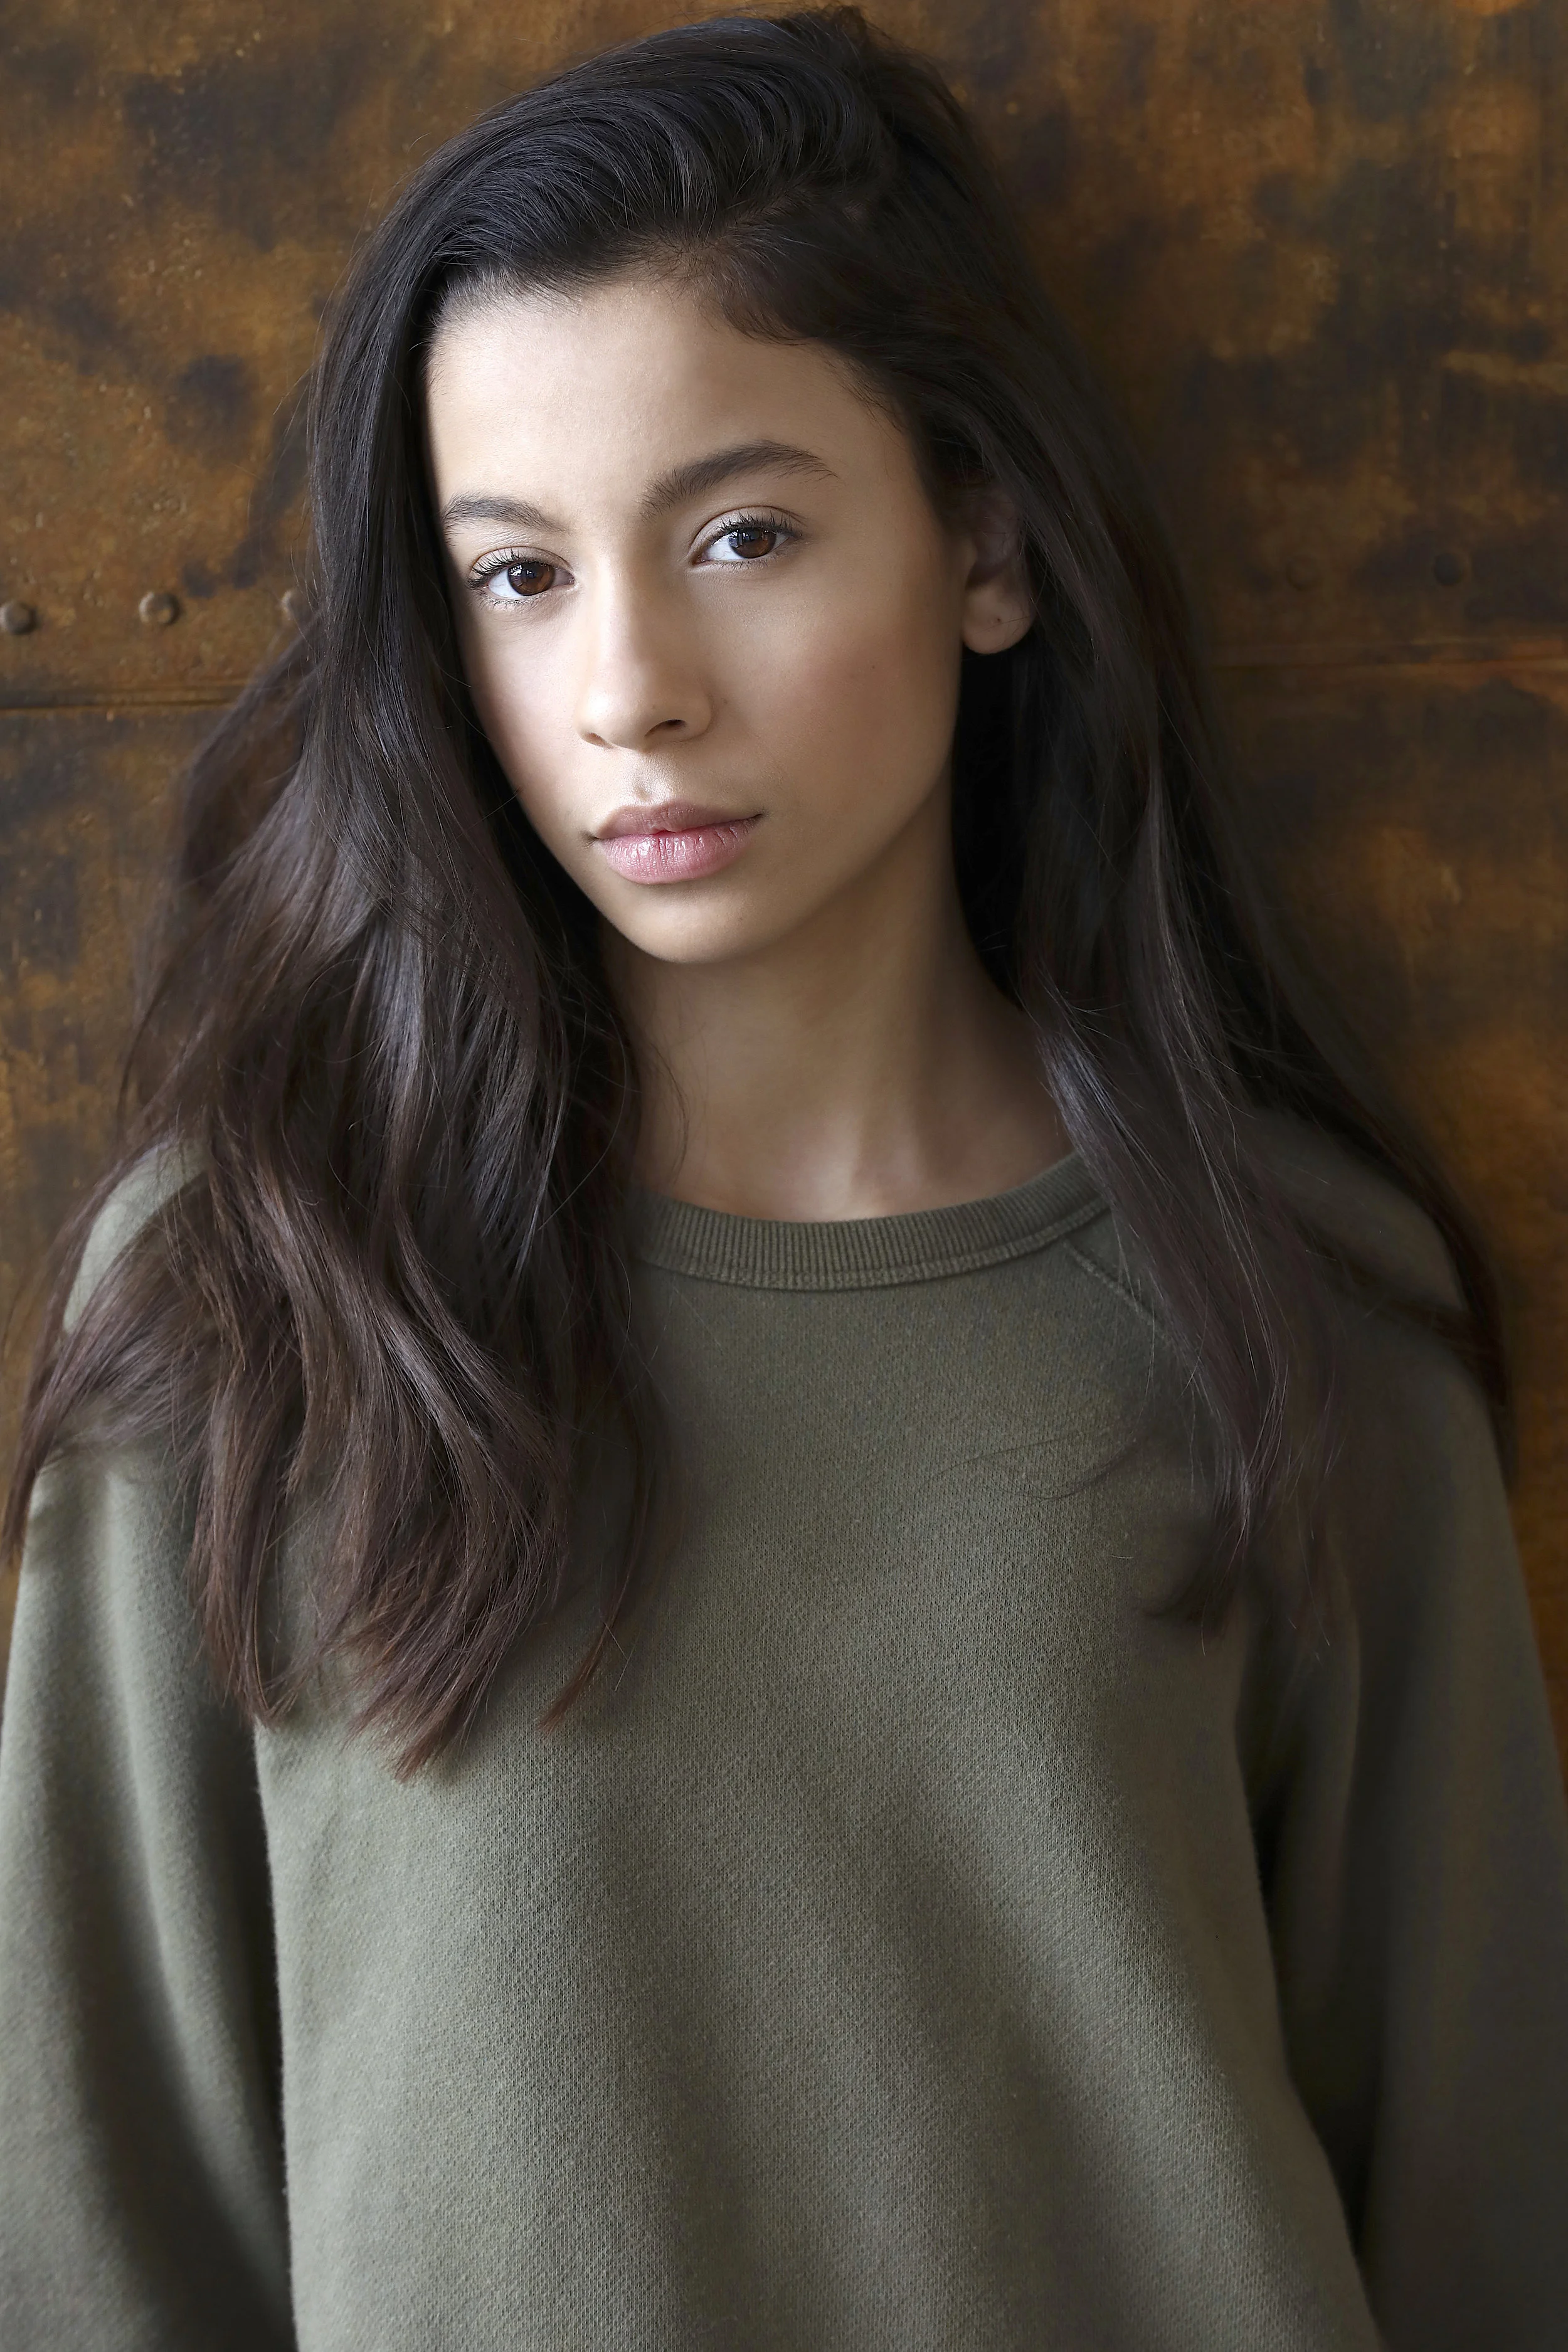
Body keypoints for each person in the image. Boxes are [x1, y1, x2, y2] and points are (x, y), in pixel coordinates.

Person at [1, 9, 1564, 2346]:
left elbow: (1482, 2210)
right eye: (516, 574)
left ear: (987, 547)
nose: (629, 684)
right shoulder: (260, 1302)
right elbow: (102, 2232)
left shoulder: (1287, 1291)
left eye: (740, 534)